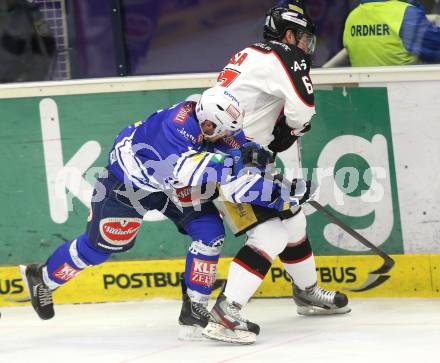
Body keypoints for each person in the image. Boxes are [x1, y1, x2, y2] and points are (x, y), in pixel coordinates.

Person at [19, 86, 313, 323]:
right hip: (128, 183)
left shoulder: (215, 120)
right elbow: (208, 172)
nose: (226, 136)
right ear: (208, 123)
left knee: (210, 233)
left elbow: (238, 149)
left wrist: (258, 160)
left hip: (170, 187)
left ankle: (195, 308)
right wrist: (272, 190)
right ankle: (42, 278)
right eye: (221, 131)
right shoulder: (174, 130)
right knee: (100, 247)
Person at [195, 4, 350, 345]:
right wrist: (294, 129)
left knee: (293, 220)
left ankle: (307, 292)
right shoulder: (282, 54)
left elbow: (269, 120)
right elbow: (303, 110)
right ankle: (226, 314)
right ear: (289, 34)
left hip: (235, 160)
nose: (307, 48)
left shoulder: (251, 54)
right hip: (232, 166)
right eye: (304, 39)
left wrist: (285, 148)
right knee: (270, 237)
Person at [343, 0, 440, 67]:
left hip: (366, 93)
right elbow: (435, 47)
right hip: (405, 90)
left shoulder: (352, 16)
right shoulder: (406, 13)